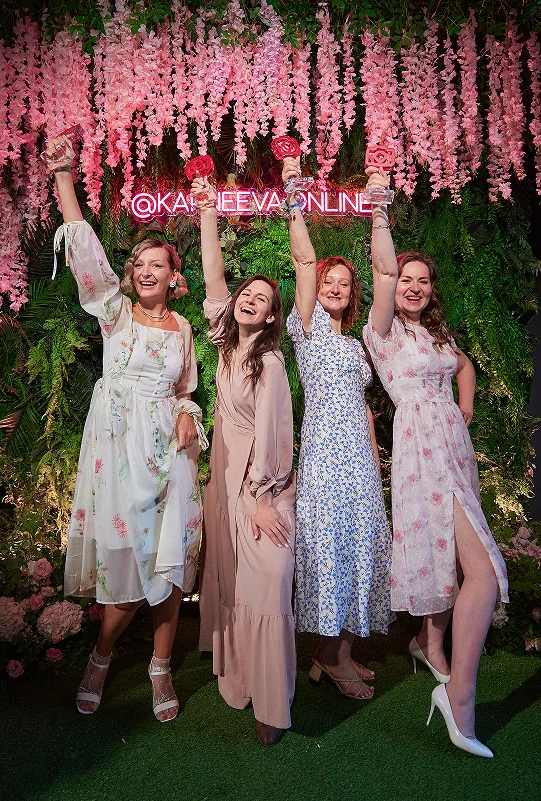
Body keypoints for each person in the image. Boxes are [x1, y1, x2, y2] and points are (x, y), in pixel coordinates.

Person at [43, 135, 206, 722]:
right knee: (126, 564)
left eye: (156, 264)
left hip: (170, 453)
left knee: (169, 563)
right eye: (139, 265)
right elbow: (86, 253)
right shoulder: (115, 313)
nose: (145, 271)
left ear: (174, 274)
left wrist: (187, 415)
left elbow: (186, 391)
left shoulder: (183, 328)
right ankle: (102, 654)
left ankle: (160, 667)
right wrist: (64, 177)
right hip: (119, 450)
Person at [362, 168, 509, 757]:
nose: (414, 287)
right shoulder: (382, 333)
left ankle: (432, 649)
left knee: (456, 561)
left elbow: (464, 366)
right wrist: (379, 212)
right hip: (424, 456)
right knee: (485, 572)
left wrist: (463, 410)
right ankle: (458, 695)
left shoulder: (437, 337)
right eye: (407, 279)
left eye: (424, 281)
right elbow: (383, 271)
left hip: (452, 451)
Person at [281, 157, 393, 701]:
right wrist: (293, 199)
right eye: (330, 280)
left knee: (361, 541)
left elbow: (387, 278)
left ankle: (338, 653)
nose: (336, 287)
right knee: (330, 545)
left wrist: (375, 461)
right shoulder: (305, 329)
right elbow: (303, 259)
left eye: (345, 284)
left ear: (352, 295)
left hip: (360, 458)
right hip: (325, 453)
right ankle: (330, 654)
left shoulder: (358, 340)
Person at [192, 175, 296, 746]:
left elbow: (276, 436)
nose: (249, 298)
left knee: (271, 580)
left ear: (273, 317)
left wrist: (261, 498)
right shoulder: (228, 346)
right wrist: (207, 210)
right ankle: (240, 677)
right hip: (225, 483)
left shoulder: (271, 364)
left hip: (262, 489)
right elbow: (213, 275)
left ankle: (272, 702)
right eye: (246, 293)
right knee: (236, 584)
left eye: (262, 298)